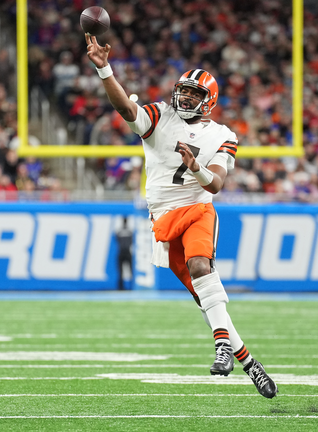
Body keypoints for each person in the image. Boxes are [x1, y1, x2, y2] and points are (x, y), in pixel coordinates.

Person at [85, 34, 276, 398]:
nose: (186, 98)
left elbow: (216, 183)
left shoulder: (223, 134)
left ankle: (222, 347)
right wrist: (103, 68)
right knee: (202, 297)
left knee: (202, 266)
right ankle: (248, 361)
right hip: (164, 216)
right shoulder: (159, 115)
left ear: (210, 101)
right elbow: (126, 109)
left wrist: (196, 167)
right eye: (183, 91)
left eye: (194, 94)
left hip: (199, 207)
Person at [115, 217, 134, 290]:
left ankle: (120, 287)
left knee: (120, 271)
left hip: (121, 252)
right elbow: (132, 240)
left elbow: (116, 239)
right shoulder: (130, 231)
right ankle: (132, 286)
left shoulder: (119, 231)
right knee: (130, 270)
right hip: (128, 252)